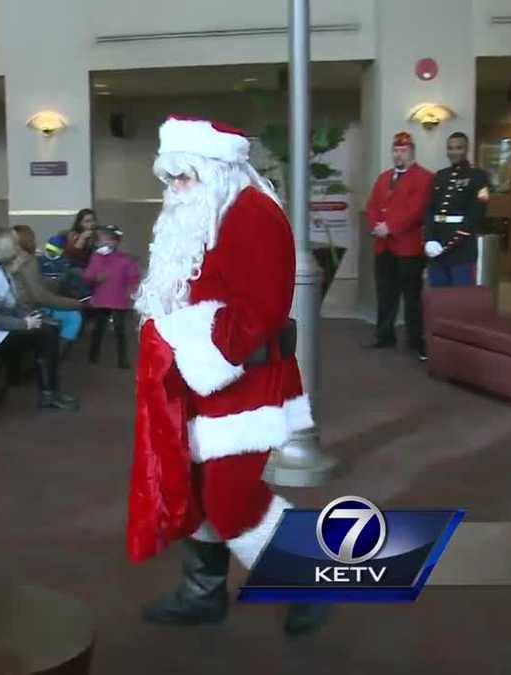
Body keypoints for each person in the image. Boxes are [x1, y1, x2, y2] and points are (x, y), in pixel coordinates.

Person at [128, 116, 325, 635]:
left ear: (216, 169)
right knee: (194, 488)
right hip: (194, 384)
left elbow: (260, 310)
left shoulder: (251, 213)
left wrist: (191, 347)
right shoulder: (197, 214)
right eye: (169, 178)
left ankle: (309, 579)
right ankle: (203, 592)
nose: (174, 189)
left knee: (231, 499)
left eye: (184, 176)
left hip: (242, 383)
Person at [0, 227, 79, 411]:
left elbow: (8, 306)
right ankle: (48, 395)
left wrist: (25, 317)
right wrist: (24, 323)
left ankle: (49, 393)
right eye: (14, 244)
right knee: (47, 334)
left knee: (46, 329)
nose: (18, 248)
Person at [364, 132, 435, 358]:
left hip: (408, 248)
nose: (398, 154)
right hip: (383, 246)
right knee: (385, 293)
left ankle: (416, 340)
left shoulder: (424, 178)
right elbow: (372, 205)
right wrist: (376, 225)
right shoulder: (383, 178)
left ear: (412, 152)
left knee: (412, 297)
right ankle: (384, 336)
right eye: (395, 150)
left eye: (403, 151)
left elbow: (417, 210)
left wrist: (390, 227)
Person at [424, 132, 489, 288]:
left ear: (466, 149)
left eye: (458, 148)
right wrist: (430, 239)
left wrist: (450, 243)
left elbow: (477, 213)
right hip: (437, 247)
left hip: (462, 248)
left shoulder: (478, 177)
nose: (453, 152)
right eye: (450, 148)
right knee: (437, 299)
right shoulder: (440, 176)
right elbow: (430, 208)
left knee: (460, 301)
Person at [11, 225, 85, 357]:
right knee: (74, 317)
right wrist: (76, 303)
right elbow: (41, 297)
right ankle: (53, 359)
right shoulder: (29, 260)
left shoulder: (13, 259)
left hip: (17, 307)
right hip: (29, 309)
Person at [82, 226, 140, 368]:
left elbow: (133, 278)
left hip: (119, 300)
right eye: (102, 239)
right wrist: (96, 278)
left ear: (116, 241)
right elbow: (87, 276)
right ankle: (93, 355)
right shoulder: (96, 257)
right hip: (101, 301)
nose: (105, 242)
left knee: (120, 330)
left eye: (108, 239)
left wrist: (131, 290)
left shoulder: (125, 260)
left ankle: (122, 359)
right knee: (98, 329)